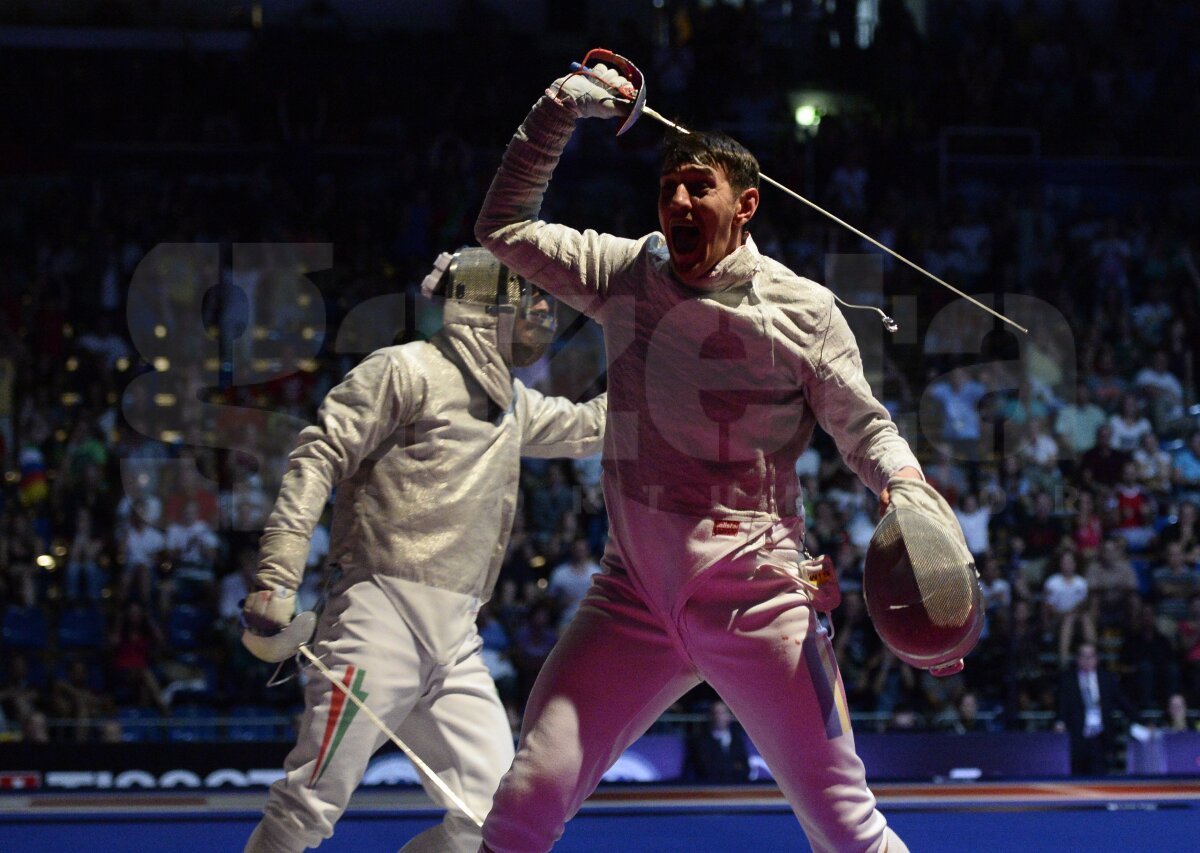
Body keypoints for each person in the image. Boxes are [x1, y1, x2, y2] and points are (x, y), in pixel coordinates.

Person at [473, 60, 946, 852]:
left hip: (759, 601)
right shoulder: (628, 273)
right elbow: (503, 229)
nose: (679, 204)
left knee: (847, 827)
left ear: (746, 204)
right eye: (668, 192)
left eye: (699, 188)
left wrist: (906, 485)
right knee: (526, 797)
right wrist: (556, 111)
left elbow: (864, 427)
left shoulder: (805, 310)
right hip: (631, 599)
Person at [240, 249, 607, 853]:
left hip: (456, 640)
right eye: (531, 299)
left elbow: (594, 424)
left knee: (494, 819)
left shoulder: (513, 403)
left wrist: (667, 366)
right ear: (487, 309)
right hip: (375, 622)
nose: (543, 312)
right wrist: (279, 577)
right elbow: (318, 454)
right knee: (307, 805)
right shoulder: (404, 370)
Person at [1055, 642, 1137, 775]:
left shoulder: (1107, 678)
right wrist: (1060, 722)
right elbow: (1062, 704)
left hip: (1100, 737)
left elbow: (1123, 702)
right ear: (1077, 658)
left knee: (1099, 776)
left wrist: (1140, 721)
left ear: (1096, 659)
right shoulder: (1068, 679)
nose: (1087, 660)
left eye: (1091, 656)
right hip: (1077, 737)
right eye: (1083, 656)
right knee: (1077, 777)